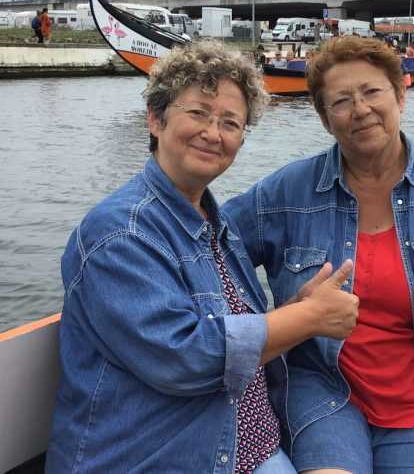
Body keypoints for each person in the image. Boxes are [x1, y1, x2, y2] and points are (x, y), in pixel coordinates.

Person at [45, 40, 359, 473]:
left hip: (247, 445)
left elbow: (230, 332)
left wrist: (297, 308)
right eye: (198, 113)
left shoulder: (215, 224)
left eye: (231, 123)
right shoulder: (120, 233)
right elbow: (185, 360)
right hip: (164, 458)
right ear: (155, 119)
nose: (213, 133)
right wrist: (309, 318)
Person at [224, 37, 414, 474]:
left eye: (372, 92)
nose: (361, 109)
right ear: (325, 118)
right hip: (324, 391)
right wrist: (283, 317)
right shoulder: (288, 192)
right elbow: (211, 245)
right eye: (342, 101)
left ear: (400, 95)